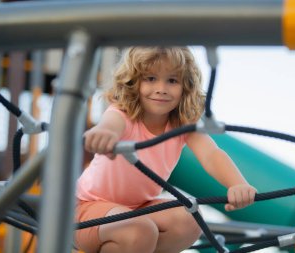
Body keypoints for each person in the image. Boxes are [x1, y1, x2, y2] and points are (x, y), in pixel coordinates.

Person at [75, 46, 257, 253]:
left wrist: (237, 183)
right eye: (151, 78)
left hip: (138, 207)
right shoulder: (122, 114)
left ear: (185, 87)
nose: (161, 88)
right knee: (138, 230)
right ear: (134, 82)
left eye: (172, 80)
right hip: (88, 208)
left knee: (189, 221)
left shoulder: (182, 125)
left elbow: (211, 154)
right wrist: (105, 134)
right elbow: (110, 125)